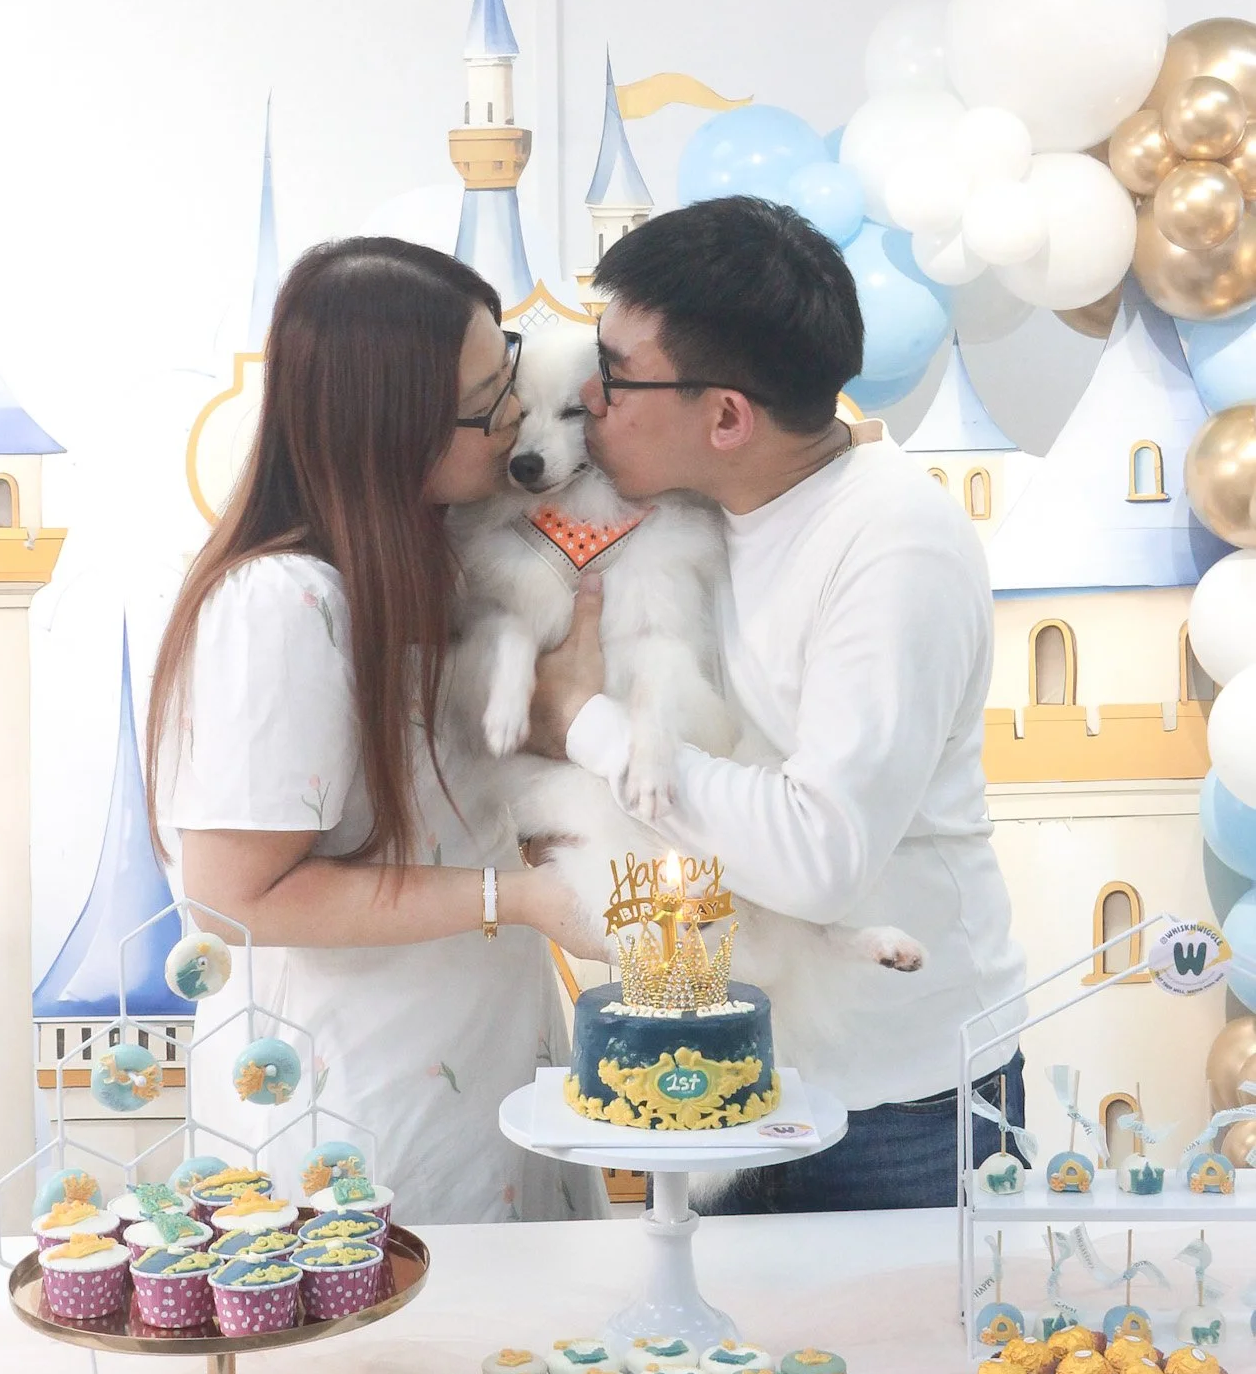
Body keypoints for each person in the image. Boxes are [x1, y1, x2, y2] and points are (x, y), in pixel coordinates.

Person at [527, 197, 1028, 1212]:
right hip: (723, 1061)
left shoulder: (892, 542)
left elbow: (819, 852)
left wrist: (582, 721)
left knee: (894, 1368)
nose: (592, 395)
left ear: (726, 417)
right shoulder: (693, 511)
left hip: (892, 1096)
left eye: (618, 374)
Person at [146, 236, 606, 1225]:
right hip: (360, 1114)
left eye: (510, 382)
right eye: (488, 402)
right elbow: (239, 896)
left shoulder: (428, 561)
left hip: (480, 1076)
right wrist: (517, 896)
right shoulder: (283, 603)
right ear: (396, 421)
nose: (513, 424)